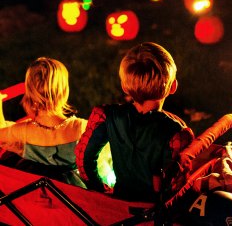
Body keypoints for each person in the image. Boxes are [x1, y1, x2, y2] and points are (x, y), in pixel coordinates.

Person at [75, 42, 194, 202]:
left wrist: (100, 189)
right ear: (173, 86)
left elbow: (84, 158)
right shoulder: (178, 134)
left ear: (124, 86)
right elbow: (176, 185)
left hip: (119, 202)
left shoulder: (105, 116)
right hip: (154, 213)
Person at [0, 57, 87, 184]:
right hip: (73, 196)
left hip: (36, 195)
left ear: (30, 91)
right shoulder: (81, 127)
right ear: (63, 90)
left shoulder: (22, 131)